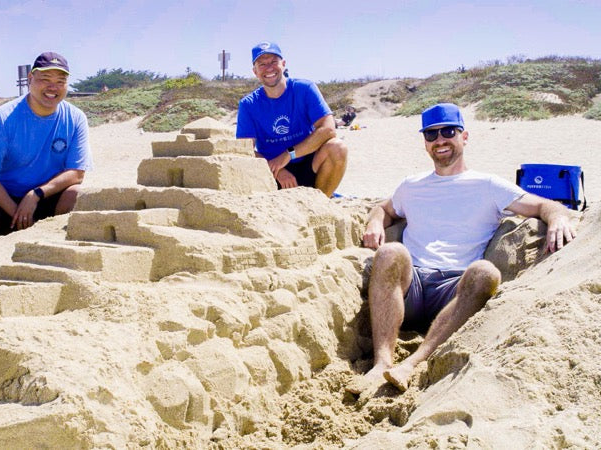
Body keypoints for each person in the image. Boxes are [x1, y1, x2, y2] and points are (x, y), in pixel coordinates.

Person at [348, 103, 575, 394]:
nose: (440, 140)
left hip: (455, 291)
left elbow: (542, 204)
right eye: (431, 135)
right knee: (391, 253)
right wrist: (376, 222)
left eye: (448, 132)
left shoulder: (488, 184)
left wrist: (557, 217)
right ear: (425, 143)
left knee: (485, 272)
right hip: (411, 285)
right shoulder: (412, 185)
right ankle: (382, 363)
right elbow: (383, 208)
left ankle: (413, 363)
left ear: (464, 136)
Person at [0, 51, 93, 259]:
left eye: (60, 81)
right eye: (45, 79)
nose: (52, 87)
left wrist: (36, 194)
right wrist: (17, 212)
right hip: (3, 198)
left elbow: (76, 173)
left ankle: (69, 262)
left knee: (77, 194)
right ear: (30, 79)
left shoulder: (75, 118)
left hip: (45, 196)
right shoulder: (3, 118)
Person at [236, 41, 348, 198]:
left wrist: (288, 155)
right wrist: (278, 169)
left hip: (310, 165)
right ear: (255, 71)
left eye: (274, 61)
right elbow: (244, 150)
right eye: (262, 64)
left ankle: (321, 203)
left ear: (283, 64)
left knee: (338, 147)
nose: (269, 68)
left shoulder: (304, 89)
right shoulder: (248, 104)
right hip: (273, 172)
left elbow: (328, 129)